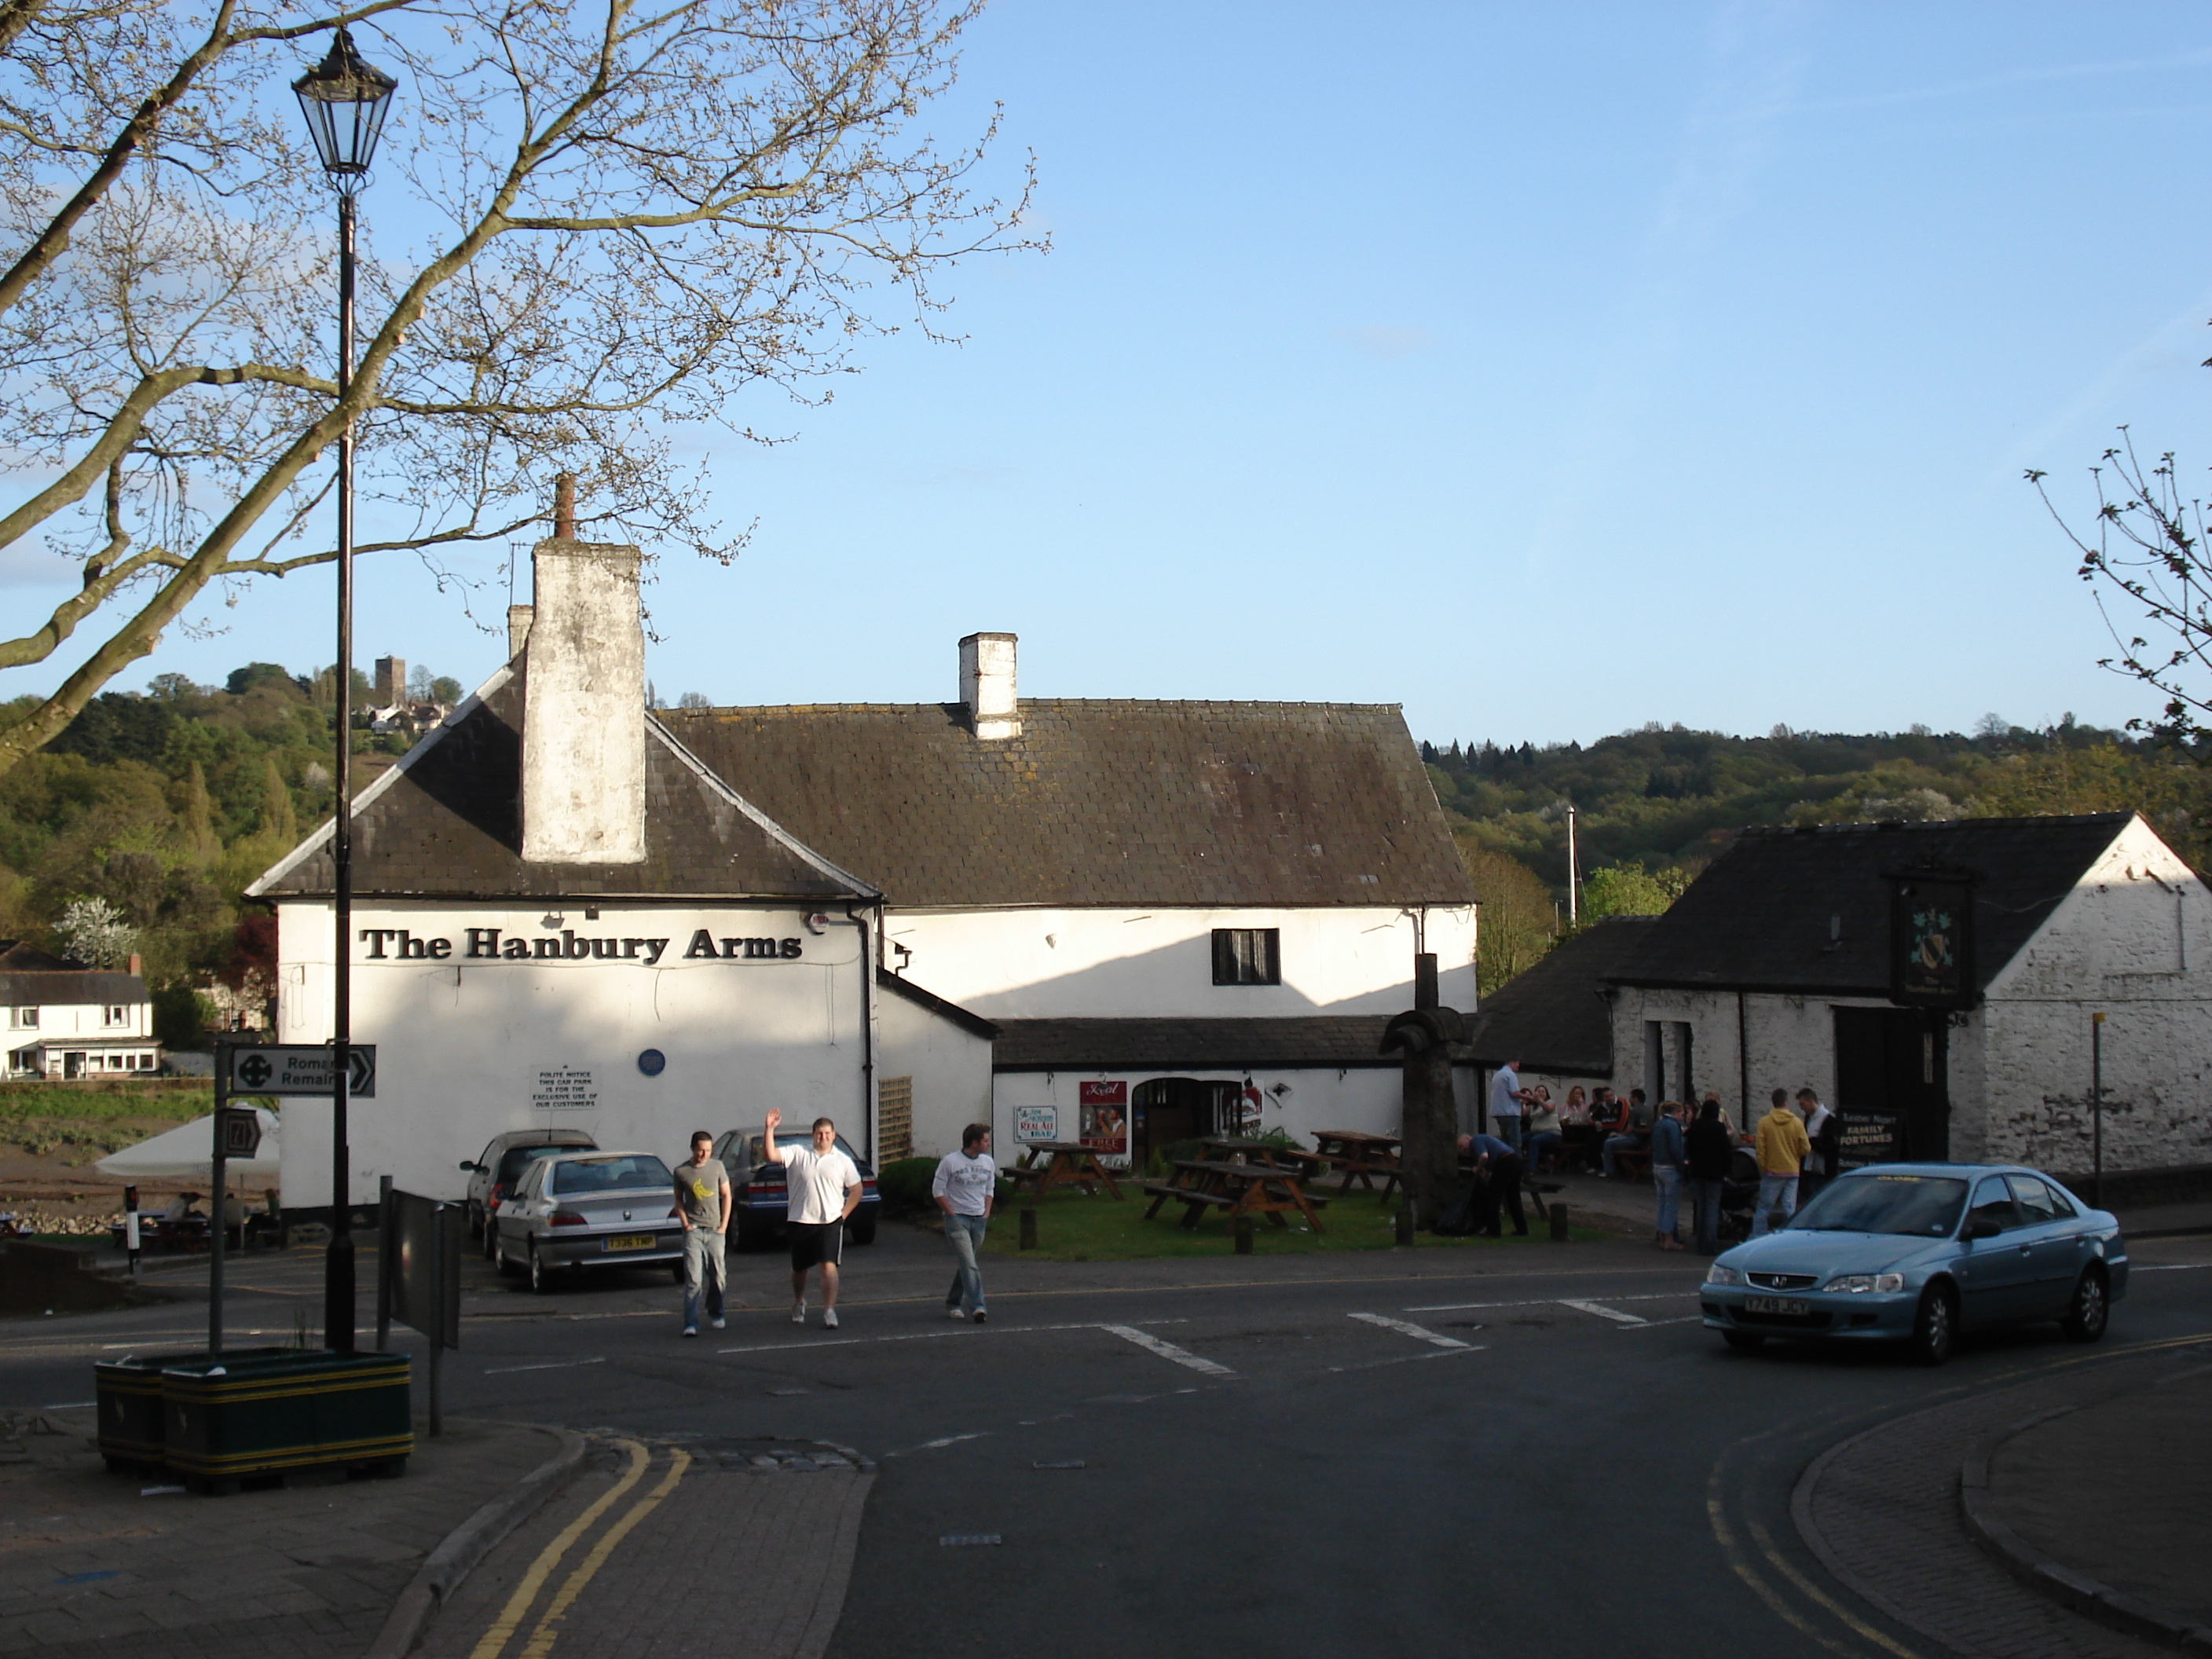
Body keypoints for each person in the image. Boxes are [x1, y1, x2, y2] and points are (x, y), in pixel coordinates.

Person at [763, 1107, 862, 1328]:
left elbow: (856, 1190)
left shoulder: (843, 1161)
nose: (823, 1138)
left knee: (828, 1266)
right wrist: (769, 1129)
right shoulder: (798, 1153)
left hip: (830, 1222)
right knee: (799, 1268)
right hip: (800, 1219)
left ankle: (829, 1311)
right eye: (819, 1133)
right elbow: (771, 1155)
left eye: (827, 1134)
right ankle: (799, 1302)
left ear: (833, 1136)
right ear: (813, 1135)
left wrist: (843, 1215)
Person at [933, 1123, 997, 1323]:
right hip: (957, 1219)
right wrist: (951, 1214)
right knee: (969, 1264)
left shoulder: (988, 1163)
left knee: (967, 1264)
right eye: (985, 1140)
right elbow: (938, 1191)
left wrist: (986, 1214)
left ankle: (953, 1302)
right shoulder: (950, 1162)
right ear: (974, 1142)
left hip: (978, 1219)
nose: (988, 1144)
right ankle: (978, 1306)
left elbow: (989, 1190)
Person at [672, 1130, 731, 1336]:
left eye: (708, 1150)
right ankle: (691, 1323)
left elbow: (726, 1195)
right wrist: (686, 1223)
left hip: (715, 1230)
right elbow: (678, 1200)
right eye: (700, 1150)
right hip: (694, 1232)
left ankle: (716, 1312)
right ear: (693, 1149)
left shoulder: (718, 1167)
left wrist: (724, 1226)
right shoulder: (681, 1172)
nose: (704, 1155)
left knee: (717, 1275)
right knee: (694, 1279)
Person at [1752, 1087, 1811, 1237]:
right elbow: (1806, 1147)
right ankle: (1789, 1237)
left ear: (1773, 1103)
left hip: (1772, 1171)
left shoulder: (1764, 1123)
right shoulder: (1797, 1123)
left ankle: (1758, 1237)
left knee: (1764, 1207)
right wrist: (1793, 1155)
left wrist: (1764, 1167)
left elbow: (1760, 1149)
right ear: (1786, 1102)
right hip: (1792, 1170)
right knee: (1789, 1207)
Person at [1684, 1097, 1734, 1254]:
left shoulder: (1695, 1126)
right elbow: (1726, 1151)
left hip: (1697, 1170)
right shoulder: (1718, 1128)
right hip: (1714, 1172)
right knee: (1712, 1208)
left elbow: (1689, 1147)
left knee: (1701, 1207)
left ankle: (1700, 1242)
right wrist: (1727, 1170)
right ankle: (1709, 1245)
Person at [1454, 1133, 1529, 1236]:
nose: (1463, 1150)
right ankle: (1522, 1229)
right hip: (1515, 1161)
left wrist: (1477, 1168)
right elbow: (1488, 1170)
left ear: (1468, 1139)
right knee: (1513, 1198)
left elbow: (1484, 1157)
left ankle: (1493, 1230)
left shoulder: (1476, 1141)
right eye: (1460, 1148)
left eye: (1462, 1146)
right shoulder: (1486, 1142)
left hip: (1504, 1162)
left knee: (1492, 1198)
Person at [1650, 1100, 1687, 1250]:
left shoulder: (1658, 1124)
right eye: (1681, 1114)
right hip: (1670, 1168)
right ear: (1675, 1113)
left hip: (1657, 1165)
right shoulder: (1673, 1126)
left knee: (1662, 1203)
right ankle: (1669, 1239)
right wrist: (1682, 1167)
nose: (1682, 1117)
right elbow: (1676, 1149)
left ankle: (1661, 1236)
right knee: (1671, 1205)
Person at [1797, 1087, 1839, 1199]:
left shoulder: (1829, 1120)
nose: (1802, 1108)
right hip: (1809, 1170)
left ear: (1811, 1101)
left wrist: (1812, 1142)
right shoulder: (1809, 1119)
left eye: (1803, 1104)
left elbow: (1833, 1147)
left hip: (1823, 1171)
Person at [1601, 1088, 1651, 1178]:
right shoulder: (1649, 1110)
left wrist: (1619, 1135)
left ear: (1636, 1099)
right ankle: (1620, 1167)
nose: (1629, 1100)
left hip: (1636, 1139)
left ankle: (1609, 1170)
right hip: (1648, 1141)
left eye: (1631, 1098)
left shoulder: (1634, 1111)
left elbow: (1629, 1129)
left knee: (1608, 1142)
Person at [1486, 1060, 1530, 1155]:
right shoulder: (1510, 1074)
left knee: (1505, 1141)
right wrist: (1530, 1098)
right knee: (1515, 1142)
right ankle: (1516, 1165)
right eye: (1517, 1066)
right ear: (1512, 1063)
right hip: (1510, 1112)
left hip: (1499, 1112)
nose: (1517, 1069)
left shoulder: (1497, 1075)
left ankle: (1505, 1163)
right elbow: (1514, 1092)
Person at [1522, 1087, 1564, 1176]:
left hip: (1551, 1132)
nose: (1541, 1093)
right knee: (1520, 1139)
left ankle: (1531, 1168)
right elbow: (1523, 1113)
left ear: (1546, 1094)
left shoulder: (1550, 1103)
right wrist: (1524, 1103)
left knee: (1534, 1141)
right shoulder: (1532, 1107)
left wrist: (1539, 1101)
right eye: (1538, 1091)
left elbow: (1548, 1109)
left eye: (1543, 1092)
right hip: (1536, 1132)